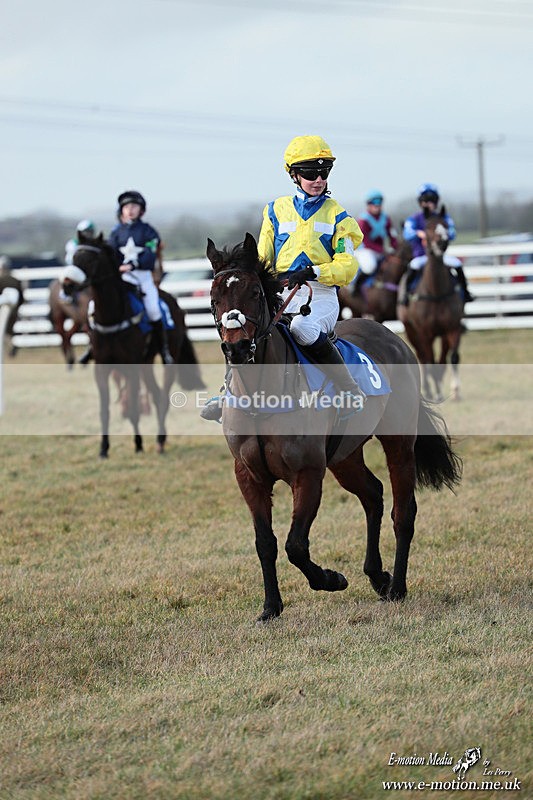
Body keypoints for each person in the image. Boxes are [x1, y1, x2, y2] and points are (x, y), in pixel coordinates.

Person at [201, 135, 365, 421]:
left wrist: (315, 271)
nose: (318, 179)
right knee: (245, 327)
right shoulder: (275, 211)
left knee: (301, 326)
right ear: (294, 175)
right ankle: (229, 392)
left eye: (324, 172)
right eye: (310, 173)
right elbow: (263, 258)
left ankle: (348, 389)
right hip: (281, 294)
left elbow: (348, 266)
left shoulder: (340, 217)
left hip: (320, 295)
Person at [109, 190, 173, 365]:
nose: (130, 210)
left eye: (134, 206)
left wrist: (133, 265)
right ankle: (94, 347)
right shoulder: (115, 233)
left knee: (153, 310)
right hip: (121, 278)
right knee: (95, 306)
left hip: (143, 277)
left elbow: (151, 252)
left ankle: (164, 350)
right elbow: (110, 254)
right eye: (126, 207)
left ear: (141, 210)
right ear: (121, 210)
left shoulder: (149, 231)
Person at [400, 183, 474, 305]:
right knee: (413, 266)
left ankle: (465, 293)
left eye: (432, 200)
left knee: (457, 264)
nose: (428, 204)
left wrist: (442, 234)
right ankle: (405, 296)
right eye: (425, 200)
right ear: (420, 202)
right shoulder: (414, 219)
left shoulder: (443, 218)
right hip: (422, 256)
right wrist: (419, 233)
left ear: (436, 202)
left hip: (441, 257)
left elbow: (452, 232)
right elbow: (407, 233)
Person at [351, 189, 399, 296]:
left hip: (380, 250)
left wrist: (395, 248)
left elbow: (392, 235)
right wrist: (382, 250)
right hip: (364, 250)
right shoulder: (364, 220)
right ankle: (354, 286)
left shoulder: (386, 218)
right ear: (368, 204)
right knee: (369, 267)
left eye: (379, 202)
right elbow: (365, 241)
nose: (377, 205)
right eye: (374, 203)